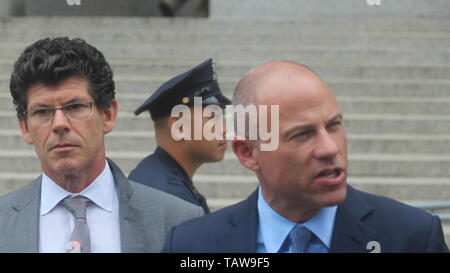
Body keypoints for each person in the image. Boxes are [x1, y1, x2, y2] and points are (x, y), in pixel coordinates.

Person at [162, 61, 449, 253]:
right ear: (248, 153)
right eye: (302, 135)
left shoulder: (412, 238)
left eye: (334, 126)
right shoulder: (193, 246)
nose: (329, 148)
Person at [0, 37, 203, 253]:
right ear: (25, 128)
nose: (59, 124)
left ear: (108, 115)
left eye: (75, 107)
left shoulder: (178, 220)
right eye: (42, 112)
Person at [128, 59, 231, 214]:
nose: (224, 128)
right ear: (180, 127)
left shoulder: (158, 177)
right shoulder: (171, 199)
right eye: (212, 117)